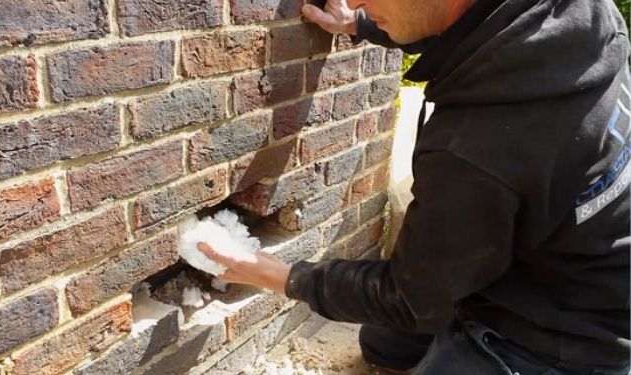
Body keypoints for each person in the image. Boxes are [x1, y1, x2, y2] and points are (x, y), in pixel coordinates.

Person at [197, 0, 631, 373]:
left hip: (575, 335)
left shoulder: (477, 148)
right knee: (384, 343)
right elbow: (464, 23)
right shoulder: (570, 23)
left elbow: (409, 300)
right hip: (544, 252)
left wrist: (284, 277)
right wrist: (360, 25)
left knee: (414, 322)